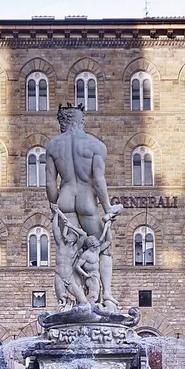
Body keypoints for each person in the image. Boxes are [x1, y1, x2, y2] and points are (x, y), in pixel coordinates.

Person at [46, 104, 123, 309]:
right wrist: (107, 208)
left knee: (71, 251)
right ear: (82, 121)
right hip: (87, 201)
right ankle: (106, 296)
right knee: (103, 249)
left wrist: (54, 207)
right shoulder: (95, 145)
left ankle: (74, 302)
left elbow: (50, 184)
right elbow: (98, 181)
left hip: (65, 200)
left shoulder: (53, 146)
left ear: (62, 122)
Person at [51, 203, 87, 307]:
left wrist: (71, 226)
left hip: (69, 277)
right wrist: (56, 214)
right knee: (62, 302)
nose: (67, 235)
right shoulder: (60, 244)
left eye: (70, 235)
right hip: (59, 275)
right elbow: (55, 230)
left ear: (74, 238)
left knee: (83, 300)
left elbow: (84, 235)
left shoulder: (75, 248)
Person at [75, 219, 113, 304]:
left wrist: (108, 228)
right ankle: (82, 304)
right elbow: (77, 266)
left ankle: (86, 306)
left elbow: (108, 241)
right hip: (90, 278)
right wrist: (86, 275)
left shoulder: (97, 250)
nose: (97, 241)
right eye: (95, 240)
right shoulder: (86, 254)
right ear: (92, 243)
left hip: (97, 276)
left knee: (96, 298)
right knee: (94, 296)